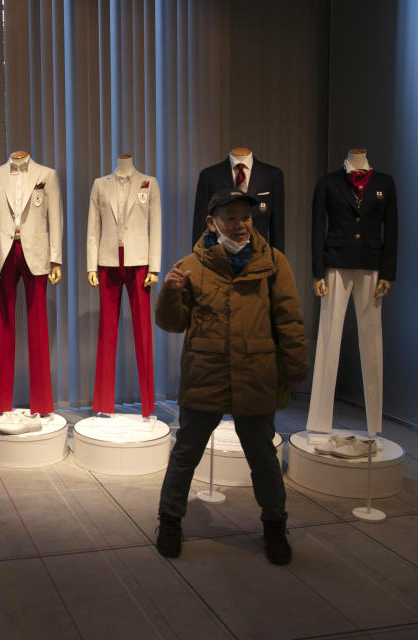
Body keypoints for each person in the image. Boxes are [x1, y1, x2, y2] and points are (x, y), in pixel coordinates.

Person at [154, 188, 308, 565]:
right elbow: (172, 324)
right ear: (212, 222)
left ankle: (275, 525)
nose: (240, 225)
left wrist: (295, 367)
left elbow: (289, 319)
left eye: (246, 217)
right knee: (186, 453)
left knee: (263, 458)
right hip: (205, 372)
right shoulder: (190, 265)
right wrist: (170, 293)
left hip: (256, 372)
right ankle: (170, 521)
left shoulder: (273, 262)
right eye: (231, 217)